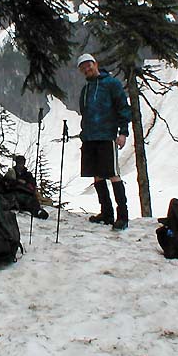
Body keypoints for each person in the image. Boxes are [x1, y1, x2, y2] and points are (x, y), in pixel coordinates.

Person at [77, 53, 132, 230]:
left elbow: (122, 107)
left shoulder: (112, 84)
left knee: (113, 174)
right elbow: (84, 113)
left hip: (107, 136)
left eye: (88, 65)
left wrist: (123, 133)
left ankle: (122, 216)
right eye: (83, 67)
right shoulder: (86, 90)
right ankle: (106, 213)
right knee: (97, 174)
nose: (87, 68)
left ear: (96, 64)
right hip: (90, 137)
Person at [4, 155, 49, 219]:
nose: (20, 165)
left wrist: (25, 183)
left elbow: (32, 185)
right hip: (14, 193)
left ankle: (38, 212)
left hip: (26, 193)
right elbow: (5, 182)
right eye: (18, 163)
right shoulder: (11, 172)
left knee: (31, 200)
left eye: (21, 163)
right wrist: (16, 181)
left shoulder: (28, 174)